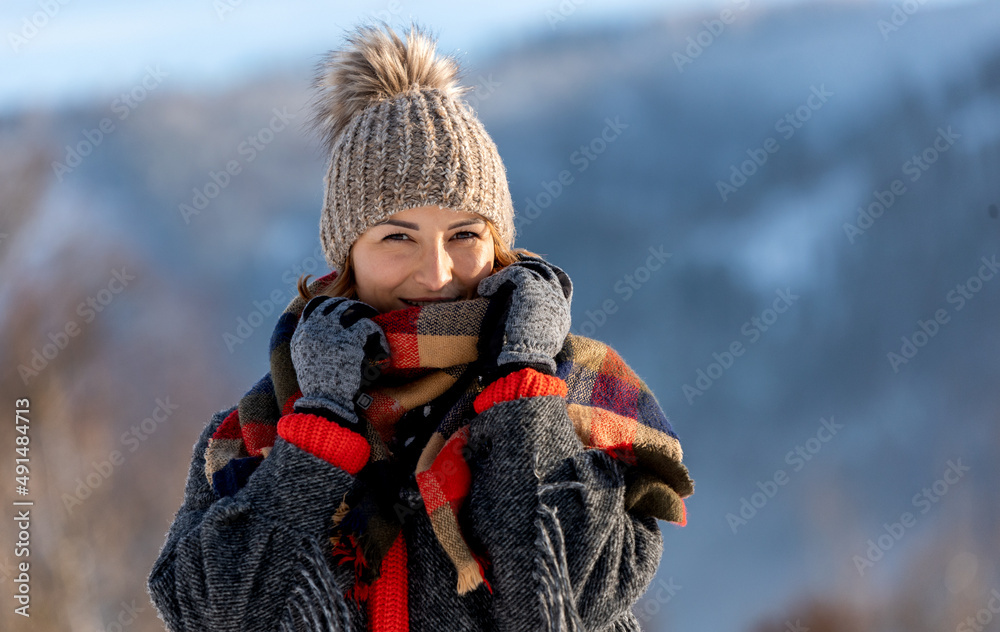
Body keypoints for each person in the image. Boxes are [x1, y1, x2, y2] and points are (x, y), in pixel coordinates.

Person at [146, 20, 694, 632]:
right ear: (347, 254)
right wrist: (320, 429)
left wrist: (522, 391)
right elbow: (212, 615)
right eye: (397, 237)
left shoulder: (581, 403)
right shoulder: (265, 425)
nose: (435, 273)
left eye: (464, 234)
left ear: (499, 244)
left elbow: (558, 608)